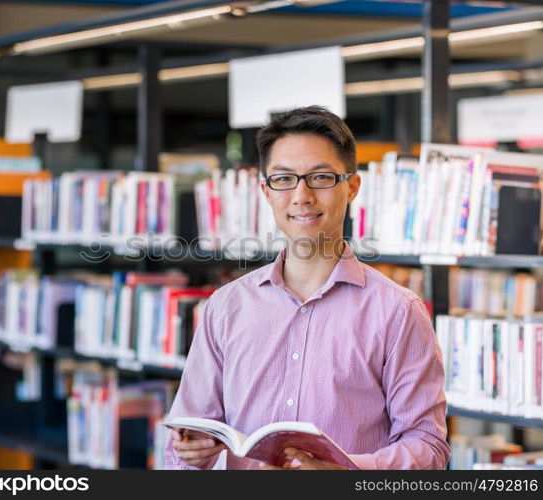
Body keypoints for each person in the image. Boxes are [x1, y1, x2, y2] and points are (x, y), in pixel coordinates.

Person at [165, 106, 450, 470]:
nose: (301, 196)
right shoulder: (226, 306)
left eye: (320, 178)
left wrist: (350, 473)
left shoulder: (397, 311)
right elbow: (180, 447)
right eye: (283, 179)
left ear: (352, 186)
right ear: (266, 191)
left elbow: (428, 447)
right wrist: (191, 452)